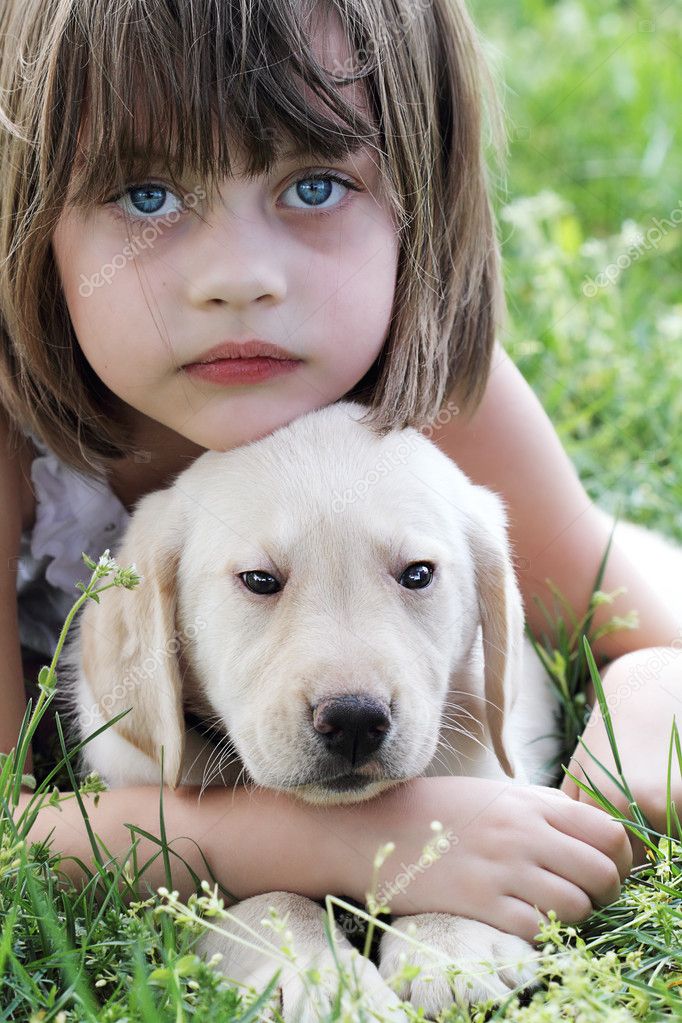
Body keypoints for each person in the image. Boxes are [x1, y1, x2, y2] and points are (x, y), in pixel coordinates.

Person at [0, 0, 677, 952]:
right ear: (26, 219)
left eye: (315, 185)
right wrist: (353, 842)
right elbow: (12, 833)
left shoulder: (434, 391)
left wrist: (617, 769)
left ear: (423, 202)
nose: (238, 278)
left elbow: (650, 642)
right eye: (146, 195)